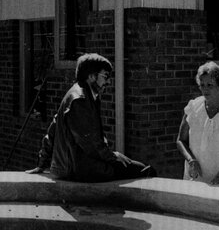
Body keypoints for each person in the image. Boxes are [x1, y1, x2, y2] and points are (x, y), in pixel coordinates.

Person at [27, 53, 155, 181]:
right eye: (105, 76)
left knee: (139, 168)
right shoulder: (80, 100)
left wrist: (42, 163)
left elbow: (52, 131)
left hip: (74, 167)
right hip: (80, 170)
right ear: (91, 76)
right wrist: (113, 156)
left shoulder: (77, 94)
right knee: (146, 171)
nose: (108, 81)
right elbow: (90, 144)